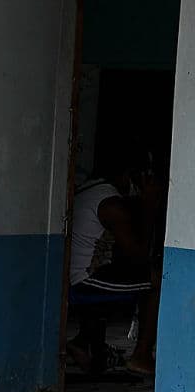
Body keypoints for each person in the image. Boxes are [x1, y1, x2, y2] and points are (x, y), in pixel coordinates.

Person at [68, 152, 161, 374]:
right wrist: (149, 207)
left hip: (78, 275)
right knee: (156, 279)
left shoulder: (92, 189)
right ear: (131, 176)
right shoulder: (111, 204)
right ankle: (141, 355)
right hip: (84, 280)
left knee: (121, 274)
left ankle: (85, 343)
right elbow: (139, 256)